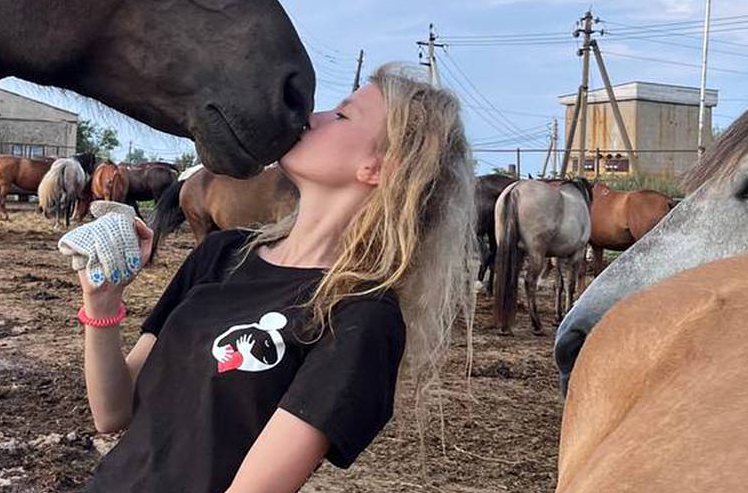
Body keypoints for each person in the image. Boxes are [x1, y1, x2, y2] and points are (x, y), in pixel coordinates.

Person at [75, 62, 476, 493]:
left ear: (379, 168)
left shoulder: (360, 318)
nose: (311, 117)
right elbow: (113, 413)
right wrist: (102, 302)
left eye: (341, 115)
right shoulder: (222, 253)